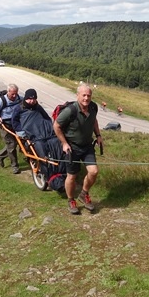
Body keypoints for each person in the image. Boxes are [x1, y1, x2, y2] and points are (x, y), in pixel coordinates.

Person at [53, 83, 102, 215]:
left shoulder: (93, 107)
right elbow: (56, 125)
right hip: (72, 148)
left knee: (94, 171)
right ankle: (71, 200)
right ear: (77, 96)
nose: (86, 98)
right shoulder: (70, 110)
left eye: (89, 95)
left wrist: (98, 135)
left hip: (87, 146)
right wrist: (64, 143)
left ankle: (84, 193)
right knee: (72, 176)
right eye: (84, 95)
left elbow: (94, 121)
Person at [0, 83, 22, 174]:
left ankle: (0, 155)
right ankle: (15, 166)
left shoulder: (19, 98)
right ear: (8, 92)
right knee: (12, 143)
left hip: (16, 123)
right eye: (13, 94)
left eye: (16, 93)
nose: (15, 96)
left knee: (20, 141)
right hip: (4, 124)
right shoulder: (1, 101)